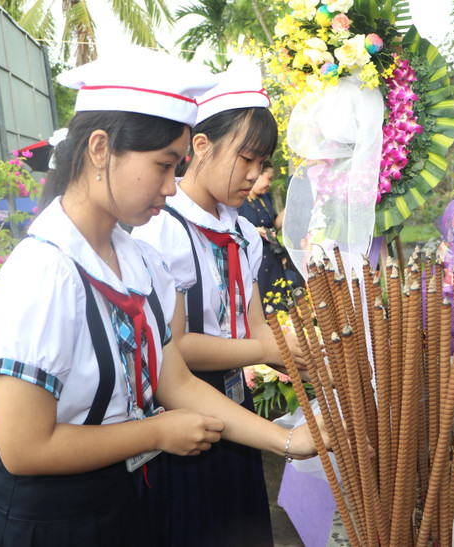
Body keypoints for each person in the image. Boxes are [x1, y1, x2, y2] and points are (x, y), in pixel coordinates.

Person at [0, 48, 326, 547]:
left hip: (116, 500)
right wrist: (155, 433)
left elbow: (173, 378)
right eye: (162, 166)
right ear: (100, 148)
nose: (170, 186)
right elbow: (24, 447)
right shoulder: (44, 272)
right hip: (47, 521)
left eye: (176, 167)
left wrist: (288, 440)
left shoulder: (133, 258)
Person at [131, 58, 309, 547]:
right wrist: (270, 351)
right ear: (201, 147)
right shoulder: (163, 229)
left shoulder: (243, 231)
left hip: (237, 400)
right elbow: (179, 348)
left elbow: (255, 327)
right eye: (246, 159)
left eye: (262, 163)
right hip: (184, 408)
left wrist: (305, 355)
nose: (254, 176)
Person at [237, 160, 303, 301]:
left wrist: (291, 203)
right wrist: (255, 231)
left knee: (279, 301)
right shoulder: (239, 201)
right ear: (257, 176)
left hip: (273, 259)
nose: (270, 184)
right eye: (269, 178)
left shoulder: (265, 198)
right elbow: (234, 230)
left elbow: (274, 226)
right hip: (254, 261)